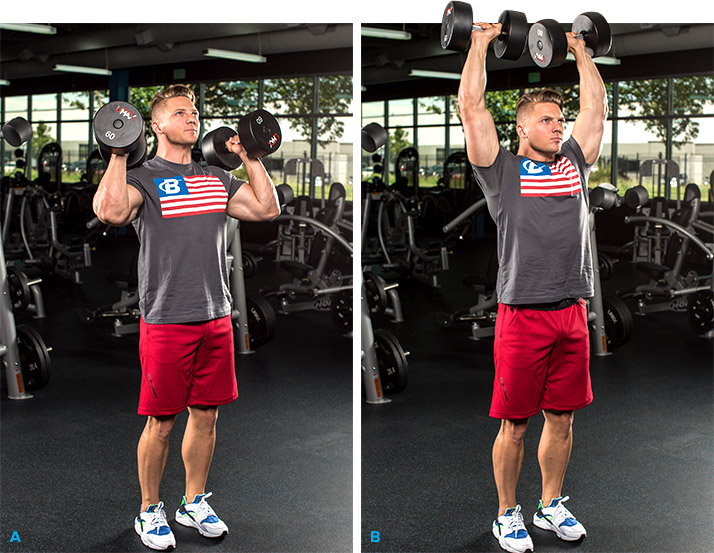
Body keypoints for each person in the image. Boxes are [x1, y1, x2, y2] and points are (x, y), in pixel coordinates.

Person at [93, 85, 281, 551]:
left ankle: (193, 501)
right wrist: (119, 149)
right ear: (156, 126)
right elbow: (110, 211)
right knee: (161, 421)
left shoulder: (214, 175)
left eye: (195, 112)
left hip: (216, 314)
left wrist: (250, 155)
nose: (192, 118)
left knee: (207, 415)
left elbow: (267, 208)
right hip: (167, 318)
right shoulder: (143, 177)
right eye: (181, 113)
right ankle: (148, 510)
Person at [458, 22, 607, 553]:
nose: (557, 125)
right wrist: (477, 43)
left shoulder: (575, 164)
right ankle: (507, 513)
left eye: (558, 119)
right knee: (515, 425)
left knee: (562, 419)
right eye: (546, 120)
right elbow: (471, 108)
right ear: (522, 129)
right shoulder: (502, 172)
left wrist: (579, 51)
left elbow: (596, 111)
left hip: (571, 311)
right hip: (522, 314)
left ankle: (551, 504)